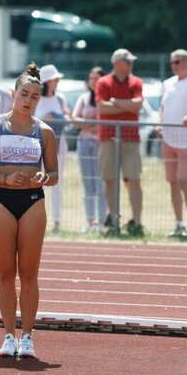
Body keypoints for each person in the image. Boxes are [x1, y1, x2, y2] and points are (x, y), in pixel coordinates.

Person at [0, 63, 58, 358]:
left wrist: (46, 177)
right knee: (5, 273)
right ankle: (9, 335)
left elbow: (54, 173)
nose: (28, 100)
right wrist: (4, 178)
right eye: (24, 93)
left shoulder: (44, 132)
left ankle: (28, 337)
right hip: (2, 201)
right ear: (13, 93)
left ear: (39, 99)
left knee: (29, 273)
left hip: (32, 202)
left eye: (34, 96)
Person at [156, 49, 187, 239]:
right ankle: (178, 224)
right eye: (172, 62)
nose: (174, 66)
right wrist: (159, 125)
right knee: (173, 183)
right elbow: (162, 107)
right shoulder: (167, 84)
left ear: (186, 63)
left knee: (184, 181)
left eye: (177, 62)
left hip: (186, 140)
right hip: (168, 139)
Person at [96, 48, 144, 236]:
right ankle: (114, 219)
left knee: (134, 180)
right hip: (108, 137)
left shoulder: (136, 81)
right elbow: (102, 108)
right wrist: (127, 105)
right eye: (127, 60)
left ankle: (137, 222)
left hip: (131, 138)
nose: (131, 63)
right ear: (116, 63)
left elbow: (138, 106)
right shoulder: (103, 82)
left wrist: (115, 102)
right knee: (109, 180)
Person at [71, 66, 107, 232]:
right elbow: (75, 119)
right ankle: (90, 220)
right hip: (84, 143)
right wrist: (91, 126)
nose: (93, 81)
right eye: (91, 78)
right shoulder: (84, 98)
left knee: (101, 183)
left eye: (97, 78)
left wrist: (91, 127)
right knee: (88, 183)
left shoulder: (106, 98)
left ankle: (101, 221)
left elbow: (106, 122)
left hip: (101, 144)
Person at [34, 64, 69, 232]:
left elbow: (67, 117)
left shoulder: (60, 98)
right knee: (38, 182)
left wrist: (60, 117)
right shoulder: (36, 98)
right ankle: (37, 219)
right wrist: (44, 118)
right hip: (39, 146)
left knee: (56, 183)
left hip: (59, 145)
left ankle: (57, 221)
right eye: (55, 79)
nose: (57, 82)